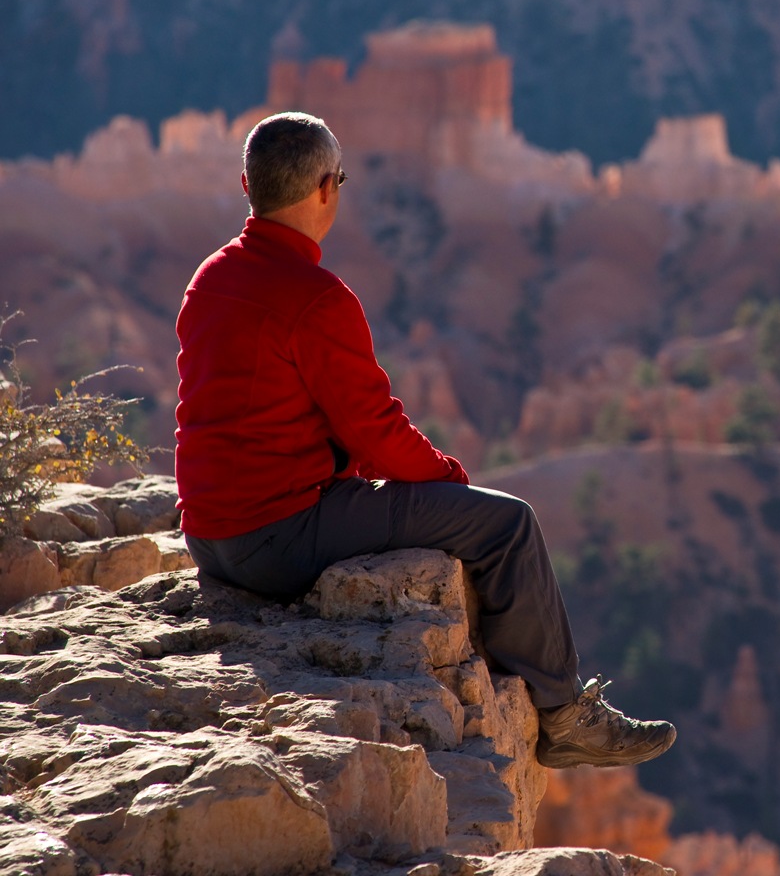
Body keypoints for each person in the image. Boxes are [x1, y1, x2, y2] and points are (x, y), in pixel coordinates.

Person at [174, 111, 674, 768]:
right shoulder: (317, 299)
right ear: (327, 188)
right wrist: (445, 479)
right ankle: (564, 713)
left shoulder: (209, 278)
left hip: (210, 538)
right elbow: (376, 432)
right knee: (509, 526)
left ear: (248, 185)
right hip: (277, 538)